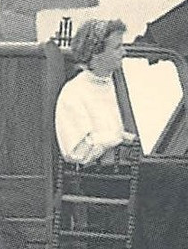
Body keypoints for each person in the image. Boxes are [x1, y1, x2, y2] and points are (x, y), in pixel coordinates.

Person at [56, 19, 138, 165]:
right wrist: (117, 138)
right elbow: (77, 153)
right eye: (117, 47)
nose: (124, 52)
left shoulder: (120, 87)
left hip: (127, 172)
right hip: (96, 180)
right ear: (96, 53)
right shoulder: (74, 93)